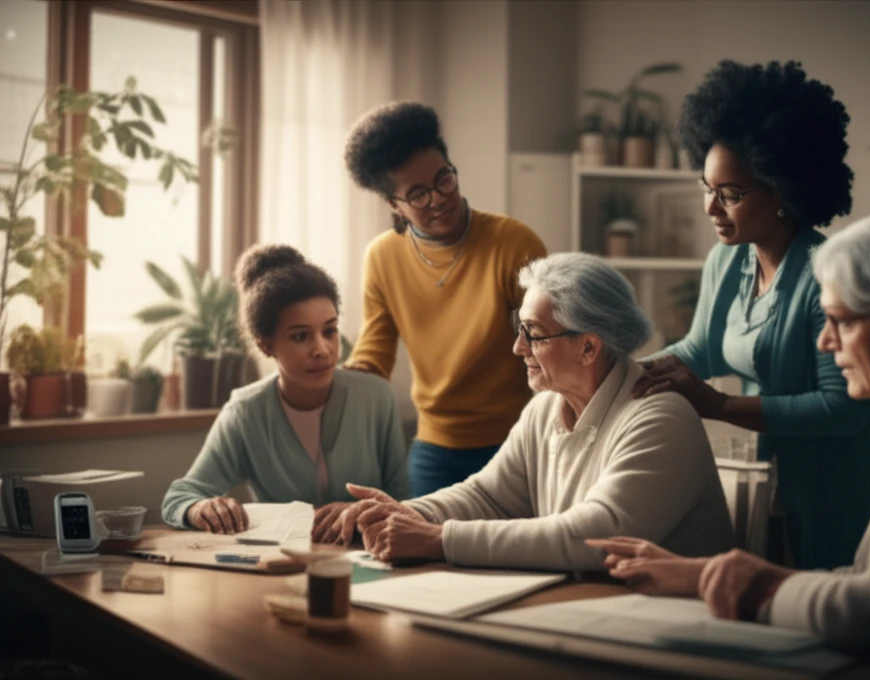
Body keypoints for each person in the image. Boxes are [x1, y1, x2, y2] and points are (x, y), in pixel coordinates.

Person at [591, 208, 870, 673]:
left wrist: (730, 581)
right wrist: (697, 573)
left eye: (839, 321)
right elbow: (864, 580)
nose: (825, 343)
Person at [317, 253, 735, 570]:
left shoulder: (660, 418)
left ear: (588, 347)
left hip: (674, 632)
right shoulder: (544, 408)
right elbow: (487, 495)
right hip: (596, 612)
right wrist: (403, 513)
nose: (518, 347)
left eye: (533, 333)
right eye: (520, 328)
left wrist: (438, 538)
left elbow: (596, 534)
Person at [633, 60, 870, 569]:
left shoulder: (828, 275)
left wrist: (717, 405)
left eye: (731, 194)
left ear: (784, 189)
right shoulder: (727, 259)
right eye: (707, 188)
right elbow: (700, 349)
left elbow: (845, 409)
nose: (711, 208)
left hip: (829, 489)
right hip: (760, 478)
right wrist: (618, 374)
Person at [343, 102, 547, 497]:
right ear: (393, 204)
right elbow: (375, 351)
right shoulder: (383, 257)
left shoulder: (513, 243)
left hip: (518, 439)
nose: (438, 199)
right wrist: (337, 385)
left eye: (444, 180)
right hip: (435, 448)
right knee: (422, 552)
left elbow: (552, 341)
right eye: (417, 194)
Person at [162, 245, 409, 540]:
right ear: (265, 345)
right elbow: (180, 496)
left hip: (367, 561)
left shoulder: (376, 398)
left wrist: (360, 510)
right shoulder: (246, 411)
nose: (322, 349)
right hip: (278, 565)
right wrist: (199, 507)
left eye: (329, 331)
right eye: (300, 336)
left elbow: (404, 503)